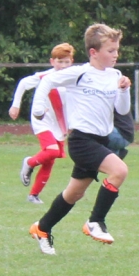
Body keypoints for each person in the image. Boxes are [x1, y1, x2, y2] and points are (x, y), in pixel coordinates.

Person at [27, 24, 132, 255]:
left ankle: (42, 228)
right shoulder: (80, 73)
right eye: (110, 50)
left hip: (101, 141)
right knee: (119, 171)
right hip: (81, 142)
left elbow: (122, 110)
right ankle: (95, 221)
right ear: (94, 52)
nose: (116, 54)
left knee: (74, 194)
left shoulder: (115, 76)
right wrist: (39, 108)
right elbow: (47, 81)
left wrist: (124, 90)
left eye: (117, 50)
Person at [10, 43, 75, 204]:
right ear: (52, 62)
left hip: (60, 124)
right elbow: (23, 83)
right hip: (42, 120)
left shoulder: (74, 77)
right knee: (52, 151)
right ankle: (29, 163)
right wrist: (15, 105)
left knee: (50, 160)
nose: (63, 65)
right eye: (60, 62)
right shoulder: (46, 76)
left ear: (72, 62)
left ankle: (33, 195)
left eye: (67, 62)